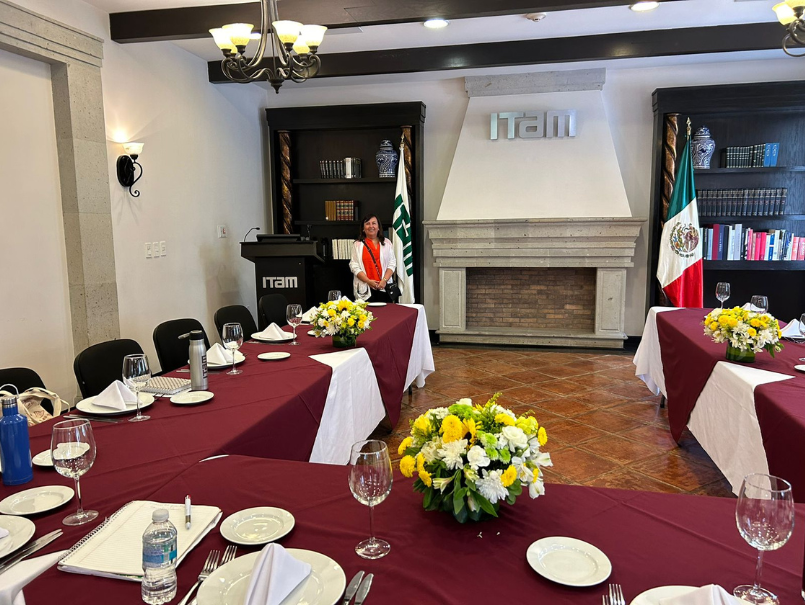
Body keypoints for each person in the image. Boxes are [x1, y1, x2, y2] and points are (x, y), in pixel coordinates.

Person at [349, 214, 396, 303]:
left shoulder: (387, 243)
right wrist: (368, 281)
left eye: (374, 223)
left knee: (386, 311)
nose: (371, 226)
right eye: (367, 223)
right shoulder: (357, 245)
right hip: (365, 289)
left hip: (384, 287)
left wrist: (384, 280)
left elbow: (392, 263)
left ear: (378, 227)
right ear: (363, 228)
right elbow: (354, 266)